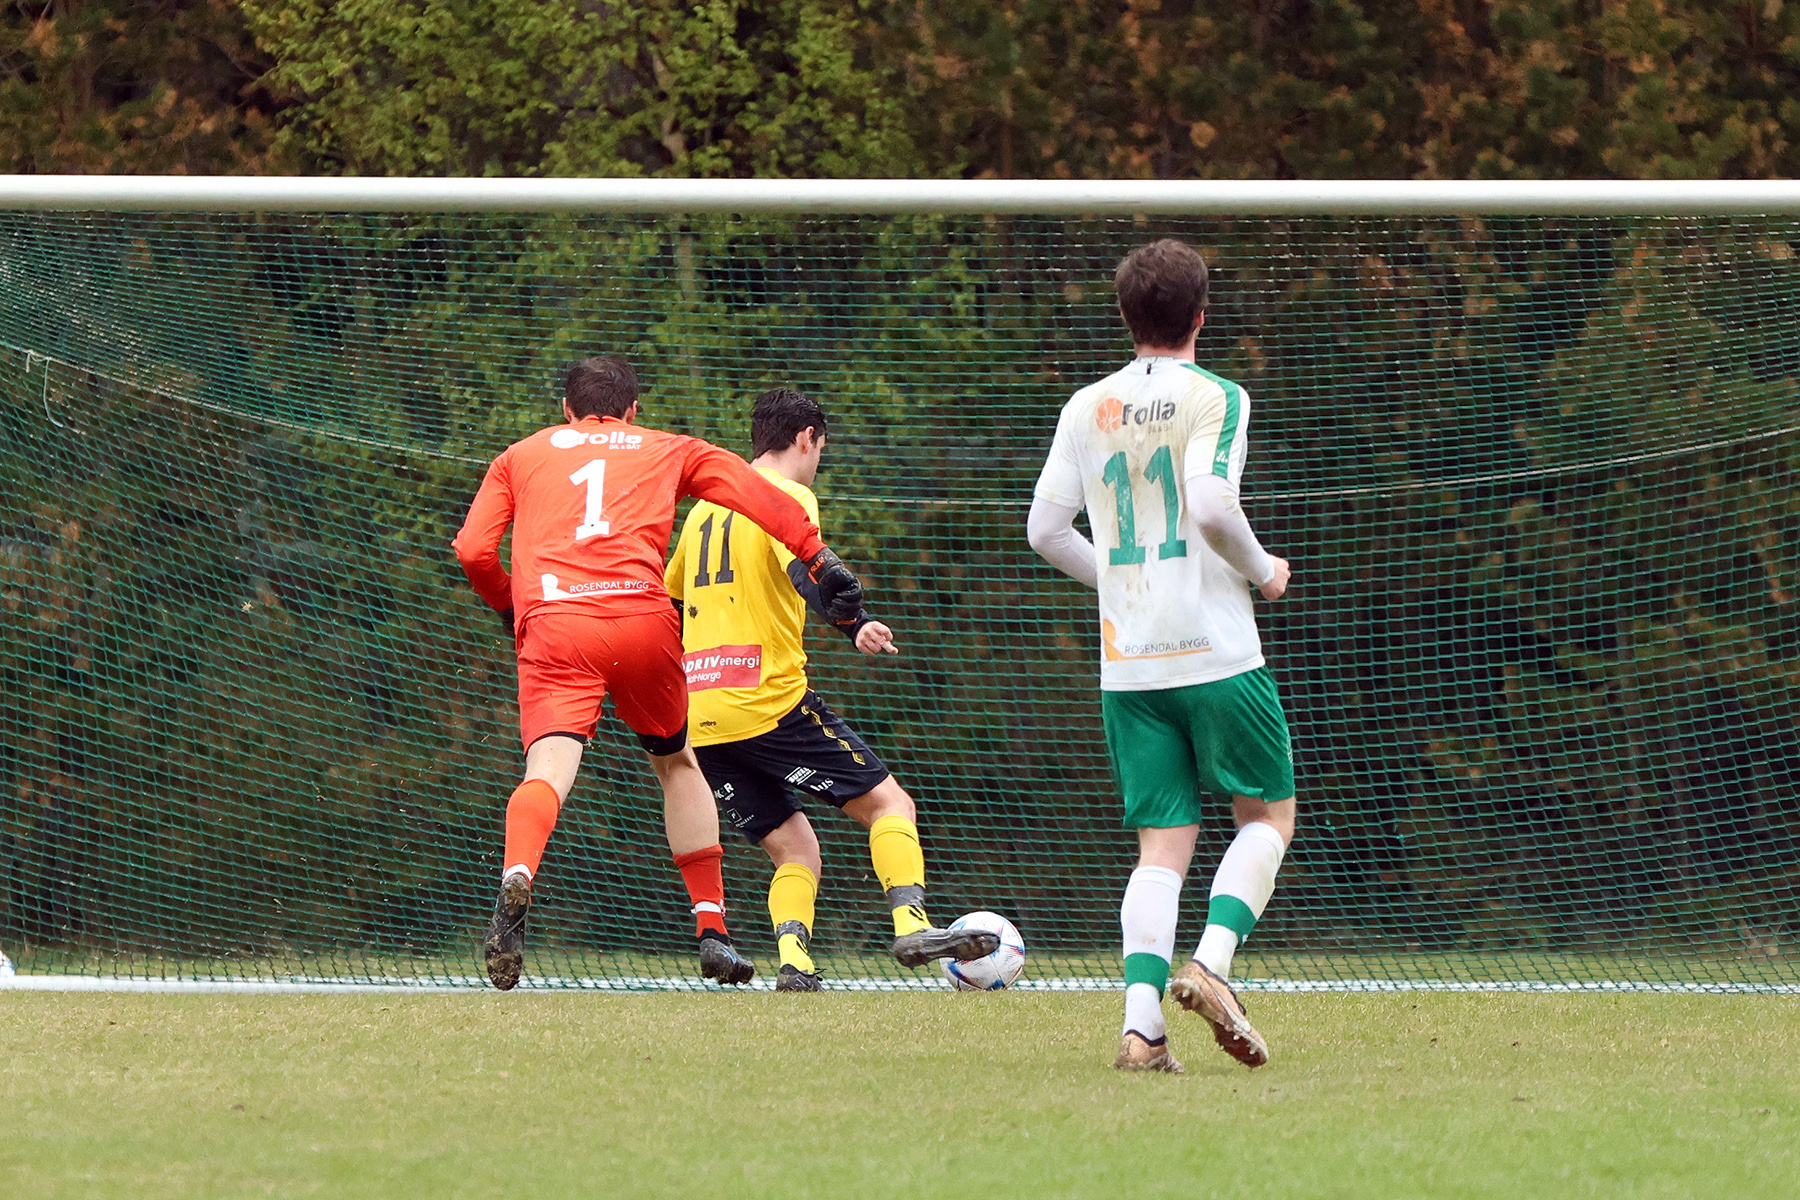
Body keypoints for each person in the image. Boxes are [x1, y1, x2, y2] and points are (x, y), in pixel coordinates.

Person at [453, 356, 866, 991]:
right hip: (643, 623)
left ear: (566, 409)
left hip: (557, 625)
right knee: (677, 763)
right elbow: (750, 488)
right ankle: (713, 932)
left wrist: (511, 603)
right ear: (633, 411)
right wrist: (816, 553)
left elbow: (473, 549)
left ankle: (519, 875)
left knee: (549, 771)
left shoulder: (520, 455)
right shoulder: (666, 448)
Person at [1027, 239, 1296, 1072]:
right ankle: (1212, 966)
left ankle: (1141, 1031)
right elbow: (1213, 506)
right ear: (1201, 315)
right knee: (1266, 817)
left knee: (1161, 844)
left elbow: (1043, 531)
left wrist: (1113, 584)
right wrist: (1264, 572)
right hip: (1215, 647)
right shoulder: (1217, 394)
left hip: (1130, 659)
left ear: (1125, 315)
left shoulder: (1085, 405)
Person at [664, 387, 1000, 991]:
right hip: (767, 701)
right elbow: (804, 566)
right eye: (821, 447)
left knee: (796, 851)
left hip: (703, 715)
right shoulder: (788, 495)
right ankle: (912, 924)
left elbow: (671, 602)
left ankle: (795, 968)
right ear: (805, 438)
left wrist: (853, 626)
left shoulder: (704, 511)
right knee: (891, 806)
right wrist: (847, 617)